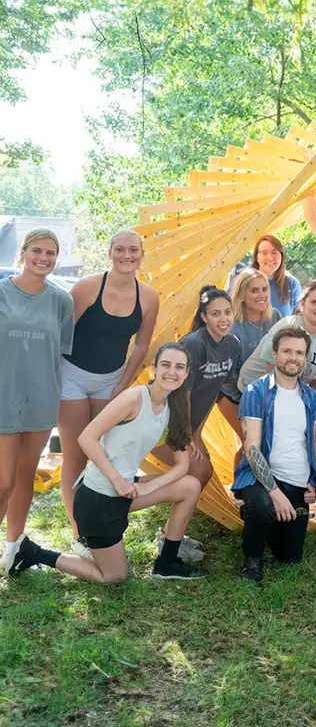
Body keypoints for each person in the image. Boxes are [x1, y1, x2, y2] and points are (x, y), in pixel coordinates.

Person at [7, 344, 208, 581]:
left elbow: (182, 465)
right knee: (113, 577)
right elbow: (87, 437)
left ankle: (167, 562)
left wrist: (147, 487)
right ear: (154, 368)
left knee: (190, 485)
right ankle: (32, 552)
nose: (171, 372)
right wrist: (118, 480)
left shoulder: (175, 406)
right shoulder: (133, 398)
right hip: (98, 498)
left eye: (179, 367)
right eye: (165, 365)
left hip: (126, 493)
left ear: (186, 374)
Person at [58, 229, 160, 558]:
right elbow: (61, 335)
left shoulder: (148, 296)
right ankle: (78, 535)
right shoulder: (88, 287)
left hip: (111, 380)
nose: (126, 255)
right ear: (110, 252)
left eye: (133, 249)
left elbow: (142, 345)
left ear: (142, 254)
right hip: (71, 377)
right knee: (75, 453)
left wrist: (123, 384)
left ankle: (97, 528)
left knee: (101, 454)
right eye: (120, 249)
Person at [1, 229, 74, 573]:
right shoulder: (1, 292)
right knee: (3, 480)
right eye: (37, 251)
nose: (43, 258)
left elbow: (60, 353)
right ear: (23, 252)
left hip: (41, 399)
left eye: (51, 253)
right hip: (4, 395)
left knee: (25, 475)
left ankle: (12, 547)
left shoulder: (62, 300)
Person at [150, 286, 241, 559]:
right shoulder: (194, 344)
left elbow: (213, 394)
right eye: (215, 314)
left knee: (199, 473)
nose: (223, 319)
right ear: (203, 316)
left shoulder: (233, 345)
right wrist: (191, 437)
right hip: (165, 423)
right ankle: (131, 495)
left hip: (190, 425)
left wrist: (198, 431)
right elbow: (183, 396)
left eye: (227, 312)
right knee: (197, 472)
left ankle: (171, 535)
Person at [233, 326, 316, 580]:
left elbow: (313, 444)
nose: (292, 357)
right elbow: (252, 447)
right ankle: (252, 561)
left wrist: (313, 482)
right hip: (262, 478)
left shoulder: (313, 399)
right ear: (274, 353)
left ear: (305, 357)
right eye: (286, 351)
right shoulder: (256, 392)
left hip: (296, 479)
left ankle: (264, 520)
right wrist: (275, 494)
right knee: (262, 506)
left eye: (298, 352)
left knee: (289, 557)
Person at [217, 269, 281, 461]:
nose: (261, 295)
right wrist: (246, 396)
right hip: (231, 393)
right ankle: (238, 490)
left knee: (266, 443)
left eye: (264, 289)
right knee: (250, 443)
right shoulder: (231, 325)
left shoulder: (275, 318)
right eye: (254, 291)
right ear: (242, 294)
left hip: (265, 393)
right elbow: (224, 372)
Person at [239, 280, 316, 393]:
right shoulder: (286, 327)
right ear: (302, 304)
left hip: (289, 389)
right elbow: (270, 378)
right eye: (314, 302)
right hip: (255, 388)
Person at [247, 234, 302, 318]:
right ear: (256, 257)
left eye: (274, 252)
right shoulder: (243, 283)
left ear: (282, 256)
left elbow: (299, 319)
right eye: (264, 253)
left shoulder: (292, 284)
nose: (270, 258)